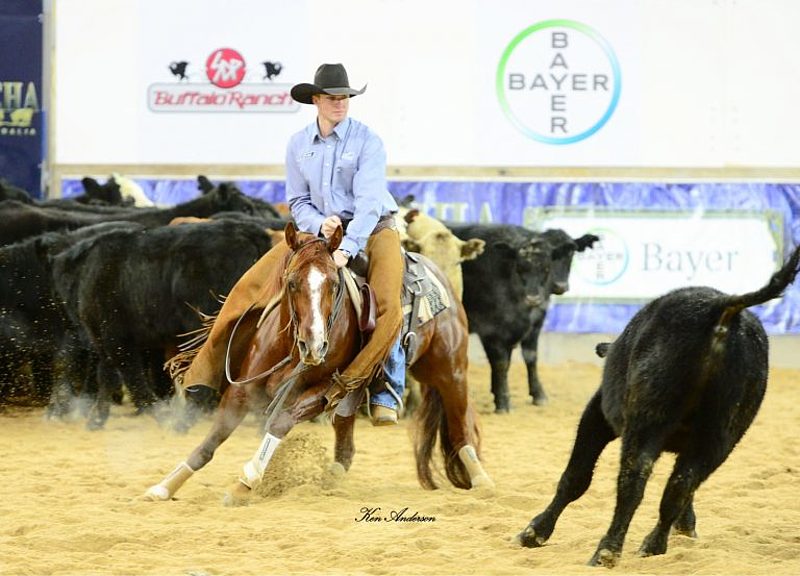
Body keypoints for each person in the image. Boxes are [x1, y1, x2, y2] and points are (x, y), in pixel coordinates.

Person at [176, 63, 406, 427]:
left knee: (389, 302)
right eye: (332, 98)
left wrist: (347, 246)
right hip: (319, 233)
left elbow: (369, 203)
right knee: (249, 285)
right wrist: (320, 223)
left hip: (375, 228)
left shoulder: (368, 141)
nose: (340, 104)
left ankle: (383, 390)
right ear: (316, 100)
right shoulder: (299, 144)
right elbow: (297, 202)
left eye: (345, 97)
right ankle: (204, 375)